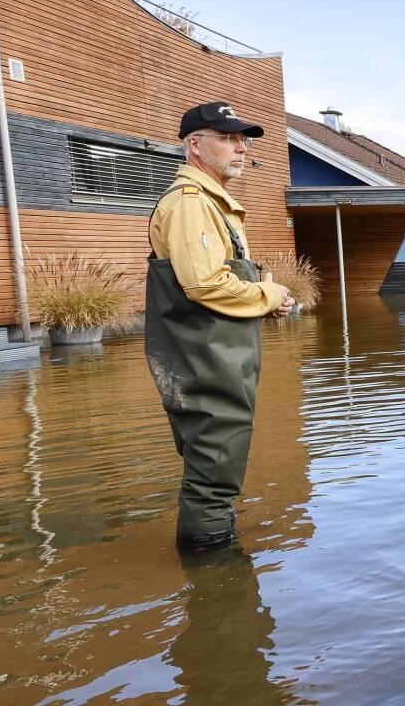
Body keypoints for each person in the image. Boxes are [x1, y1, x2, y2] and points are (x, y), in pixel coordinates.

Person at [146, 101, 294, 549]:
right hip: (205, 359)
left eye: (242, 141)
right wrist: (269, 293)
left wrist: (261, 302)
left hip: (213, 357)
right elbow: (205, 284)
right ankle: (212, 575)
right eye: (227, 139)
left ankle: (214, 559)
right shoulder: (191, 204)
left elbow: (216, 281)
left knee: (216, 461)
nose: (240, 149)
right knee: (213, 469)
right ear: (195, 145)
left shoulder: (213, 204)